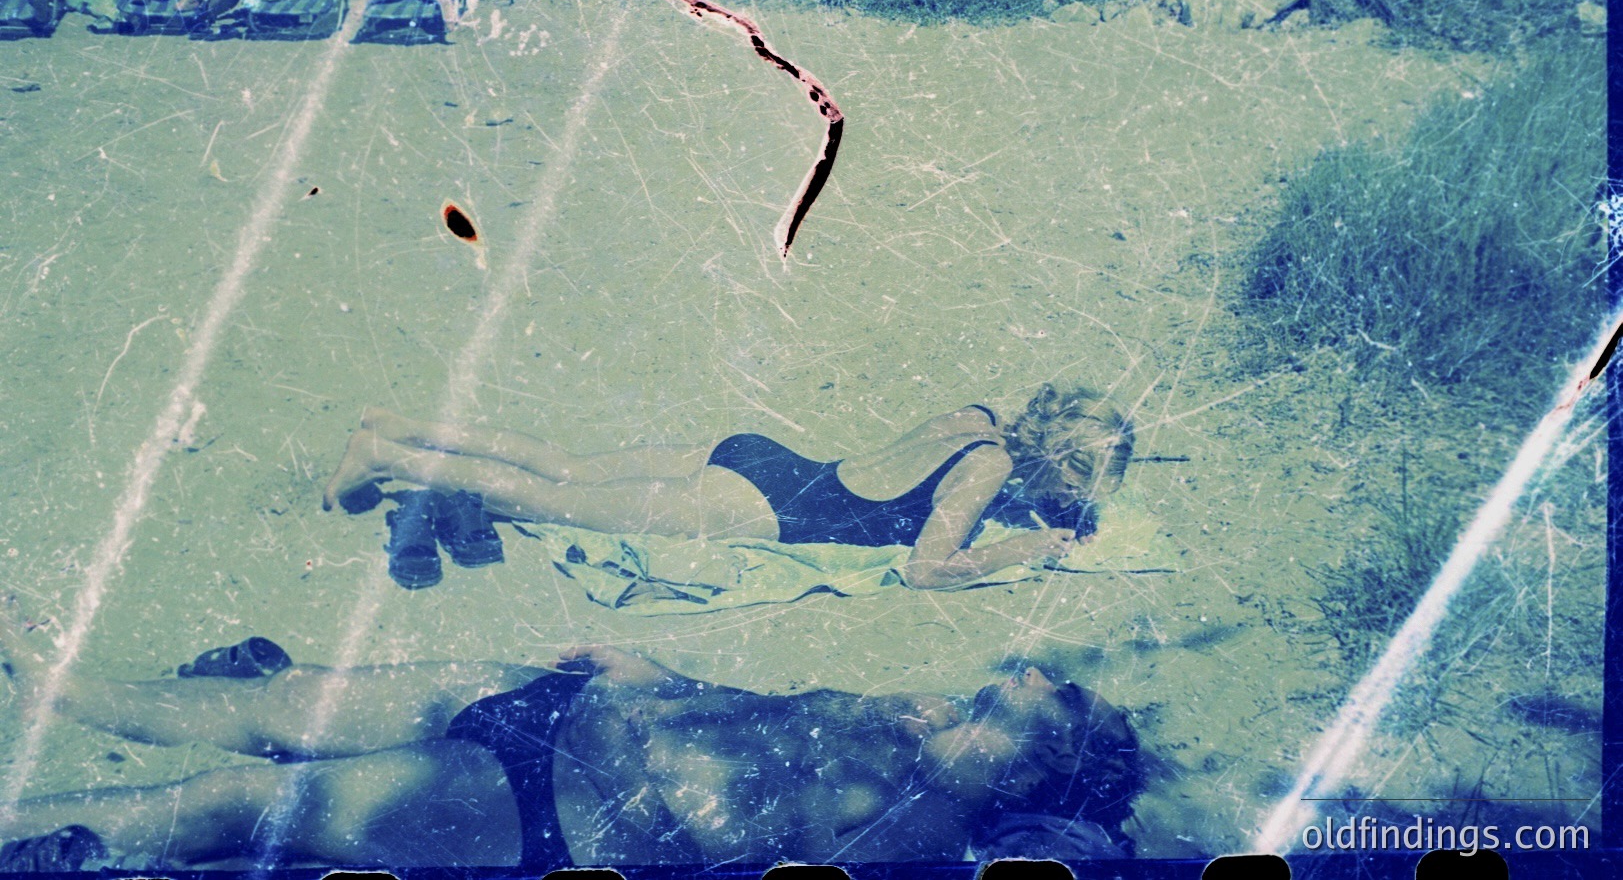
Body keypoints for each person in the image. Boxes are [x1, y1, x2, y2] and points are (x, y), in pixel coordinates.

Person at [0, 612, 1140, 868]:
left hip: (539, 806)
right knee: (274, 705)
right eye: (977, 686)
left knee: (216, 803)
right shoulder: (913, 741)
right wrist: (666, 676)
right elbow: (759, 729)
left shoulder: (926, 837)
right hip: (548, 707)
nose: (954, 703)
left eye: (989, 715)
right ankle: (61, 679)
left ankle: (64, 841)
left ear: (1032, 774)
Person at [323, 384, 1134, 589]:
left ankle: (394, 424)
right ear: (1058, 462)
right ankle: (387, 465)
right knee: (548, 501)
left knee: (564, 463)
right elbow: (926, 565)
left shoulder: (980, 419)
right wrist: (1021, 547)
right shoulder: (990, 470)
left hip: (760, 456)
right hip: (766, 508)